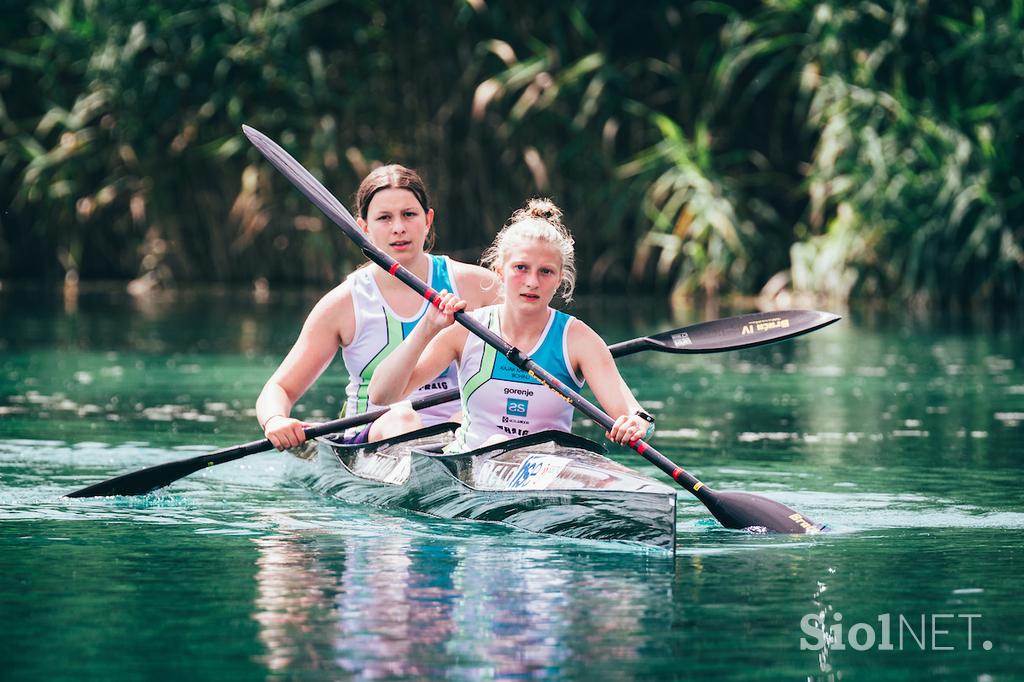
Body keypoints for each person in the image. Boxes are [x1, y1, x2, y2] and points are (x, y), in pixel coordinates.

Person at [368, 198, 655, 452]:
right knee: (494, 443)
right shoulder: (467, 330)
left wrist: (637, 425)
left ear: (559, 280)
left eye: (546, 272)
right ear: (499, 271)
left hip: (548, 468)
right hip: (472, 465)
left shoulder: (577, 339)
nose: (532, 282)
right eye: (521, 268)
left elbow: (633, 413)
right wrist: (428, 327)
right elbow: (382, 395)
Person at [256, 165, 499, 450]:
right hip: (376, 432)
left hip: (460, 432)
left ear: (428, 219)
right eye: (385, 218)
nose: (399, 227)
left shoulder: (480, 286)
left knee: (468, 419)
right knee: (402, 417)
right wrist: (275, 420)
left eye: (409, 214)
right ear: (364, 228)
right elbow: (279, 388)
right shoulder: (343, 303)